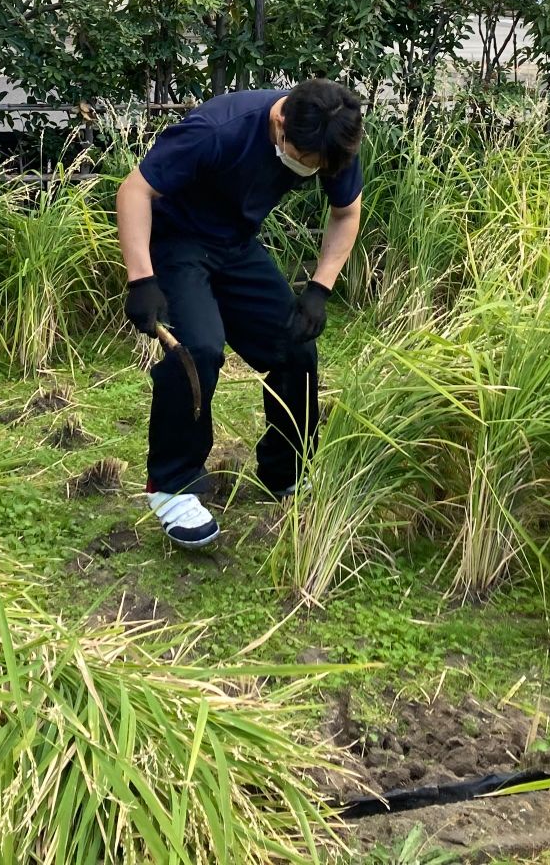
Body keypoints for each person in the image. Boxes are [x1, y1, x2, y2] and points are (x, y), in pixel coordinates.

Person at [115, 79, 364, 549]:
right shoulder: (217, 130)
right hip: (175, 243)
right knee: (198, 350)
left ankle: (285, 471)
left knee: (295, 345)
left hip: (235, 245)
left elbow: (345, 212)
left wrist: (319, 289)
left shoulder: (331, 135)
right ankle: (173, 487)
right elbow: (134, 192)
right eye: (304, 162)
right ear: (279, 123)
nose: (311, 171)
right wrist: (141, 279)